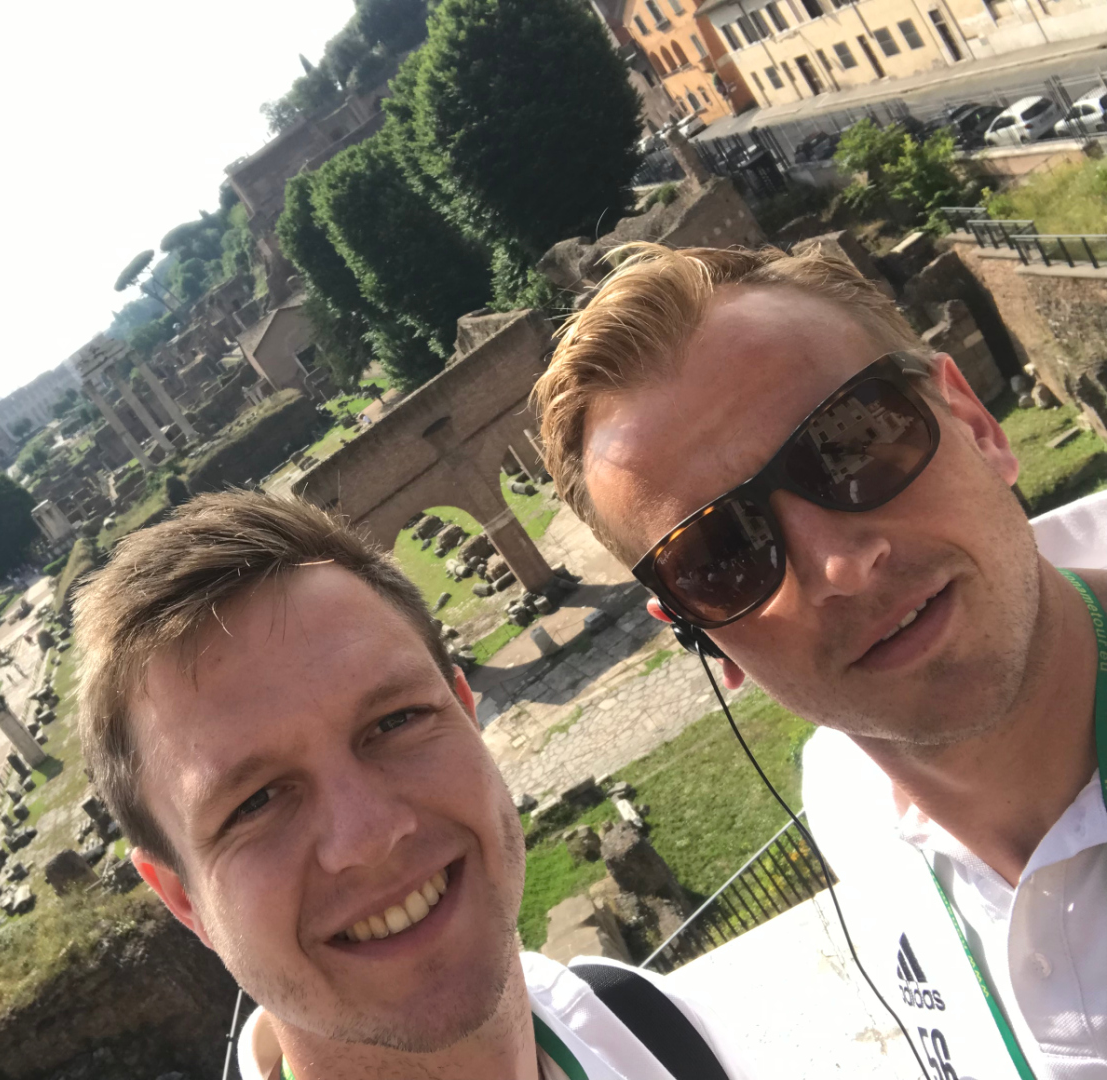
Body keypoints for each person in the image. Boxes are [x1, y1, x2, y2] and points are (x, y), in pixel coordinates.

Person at [533, 242, 1107, 1079]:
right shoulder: (842, 799)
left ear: (977, 426)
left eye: (855, 441)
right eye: (721, 555)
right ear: (703, 635)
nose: (841, 568)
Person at [73, 492, 759, 1080]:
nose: (370, 837)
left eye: (395, 721)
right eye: (254, 802)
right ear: (183, 899)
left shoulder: (649, 1027)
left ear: (467, 713)